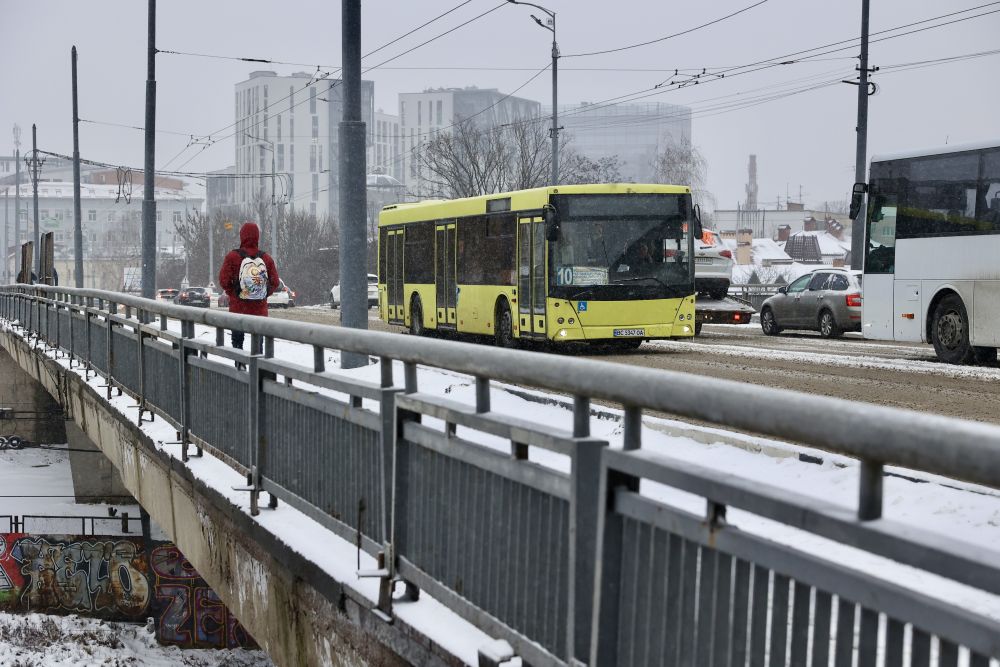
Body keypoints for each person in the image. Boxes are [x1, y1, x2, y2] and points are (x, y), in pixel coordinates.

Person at [218, 222, 279, 351]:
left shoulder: (232, 257)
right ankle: (257, 369)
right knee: (258, 348)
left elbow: (224, 280)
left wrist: (236, 293)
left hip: (238, 310)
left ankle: (240, 366)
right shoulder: (266, 258)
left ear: (242, 236)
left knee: (237, 345)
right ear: (257, 237)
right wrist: (262, 293)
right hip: (259, 312)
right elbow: (275, 282)